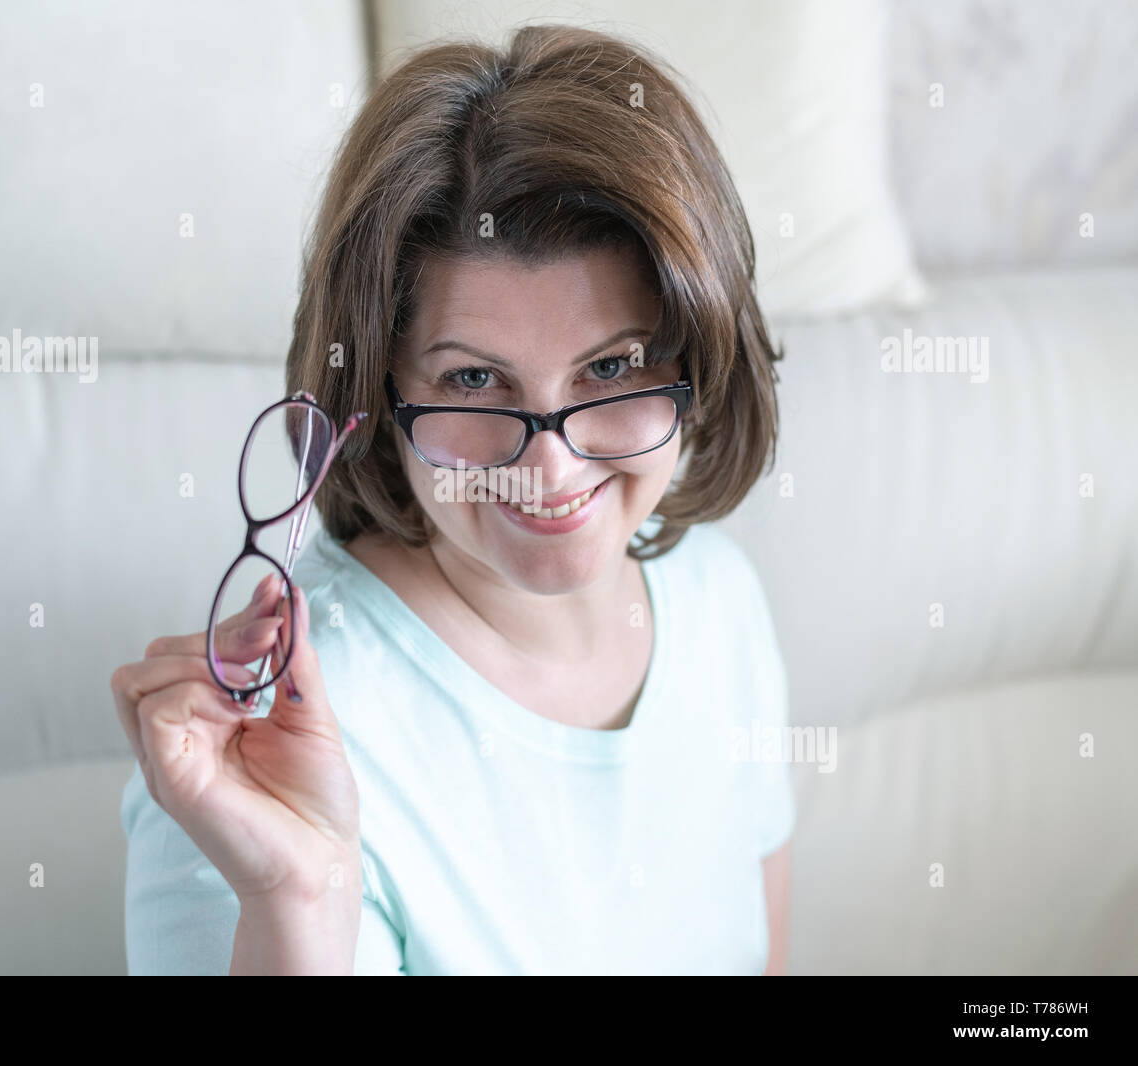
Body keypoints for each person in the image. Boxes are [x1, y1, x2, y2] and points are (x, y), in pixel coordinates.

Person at [111, 22, 793, 975]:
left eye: (612, 367)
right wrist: (299, 901)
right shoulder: (252, 751)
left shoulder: (720, 601)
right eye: (474, 383)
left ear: (702, 357)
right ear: (376, 391)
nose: (551, 471)